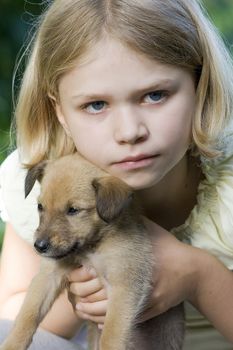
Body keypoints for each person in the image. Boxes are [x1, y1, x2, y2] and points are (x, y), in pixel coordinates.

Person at [1, 0, 233, 349]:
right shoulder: (44, 176)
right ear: (60, 111)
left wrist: (198, 277)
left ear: (200, 88)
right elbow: (12, 317)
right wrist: (85, 284)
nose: (129, 132)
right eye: (96, 104)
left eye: (155, 95)